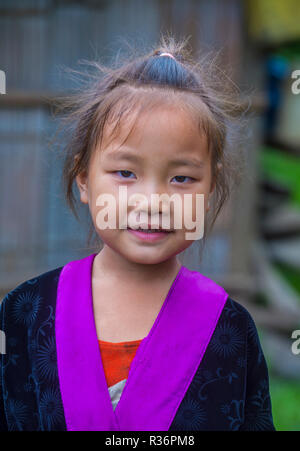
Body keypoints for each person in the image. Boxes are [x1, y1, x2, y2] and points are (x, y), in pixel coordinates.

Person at [0, 35, 275, 431]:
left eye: (182, 178)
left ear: (210, 191)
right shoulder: (25, 313)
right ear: (83, 178)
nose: (153, 200)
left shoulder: (230, 329)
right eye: (126, 173)